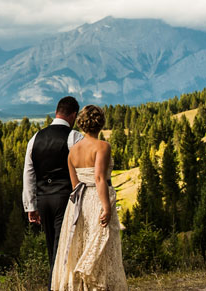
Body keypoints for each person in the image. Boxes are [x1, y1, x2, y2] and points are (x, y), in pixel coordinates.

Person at [50, 105, 127, 291]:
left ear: (82, 124)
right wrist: (106, 207)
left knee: (80, 244)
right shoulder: (103, 146)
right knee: (102, 246)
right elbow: (99, 177)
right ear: (100, 123)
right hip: (97, 199)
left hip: (78, 202)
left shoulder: (73, 151)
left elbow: (75, 184)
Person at [22, 96, 83, 287]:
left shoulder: (35, 138)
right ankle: (55, 286)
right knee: (63, 248)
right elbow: (81, 170)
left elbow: (29, 173)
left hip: (43, 199)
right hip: (65, 198)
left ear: (57, 112)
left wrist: (31, 206)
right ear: (73, 115)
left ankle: (55, 285)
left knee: (52, 247)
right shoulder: (74, 137)